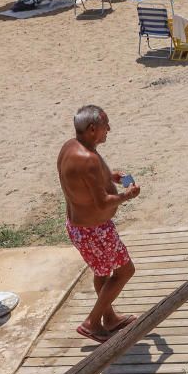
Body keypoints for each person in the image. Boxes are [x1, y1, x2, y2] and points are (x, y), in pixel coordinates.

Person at [57, 105, 140, 343]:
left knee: (102, 272)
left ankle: (110, 317)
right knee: (125, 271)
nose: (109, 129)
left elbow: (82, 181)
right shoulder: (89, 159)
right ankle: (92, 322)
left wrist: (109, 177)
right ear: (92, 129)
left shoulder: (71, 148)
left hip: (80, 228)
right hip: (95, 231)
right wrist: (127, 196)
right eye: (106, 125)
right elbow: (103, 203)